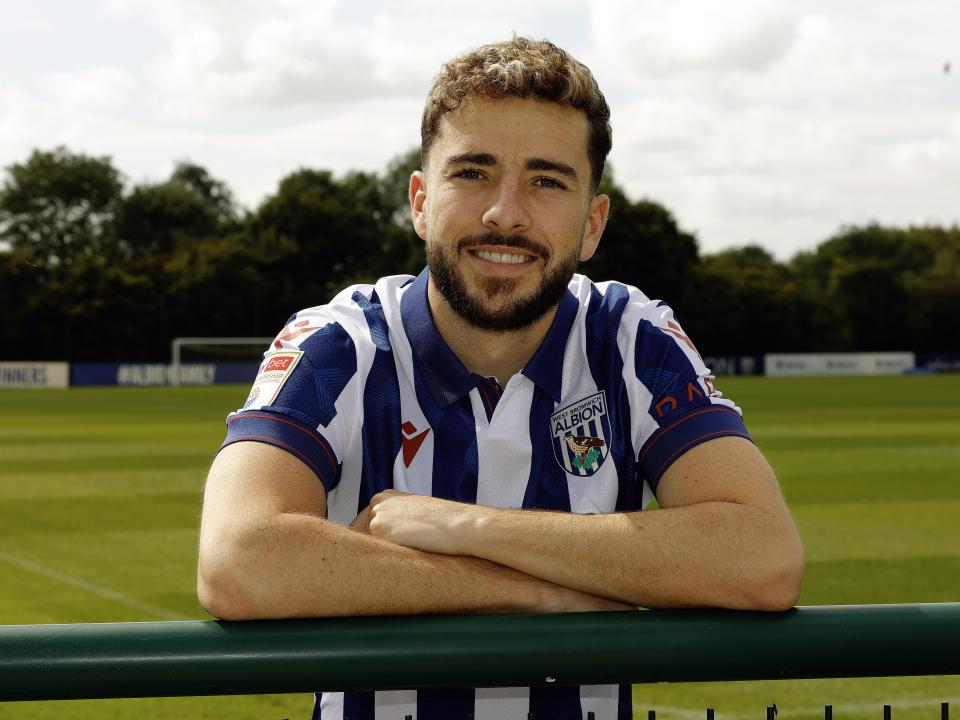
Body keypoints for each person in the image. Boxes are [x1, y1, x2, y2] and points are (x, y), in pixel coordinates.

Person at [197, 36, 804, 720]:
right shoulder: (338, 344)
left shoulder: (632, 338)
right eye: (473, 173)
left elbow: (762, 558)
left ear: (592, 224)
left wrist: (465, 526)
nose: (505, 213)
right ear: (421, 201)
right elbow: (237, 561)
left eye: (547, 180)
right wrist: (536, 592)